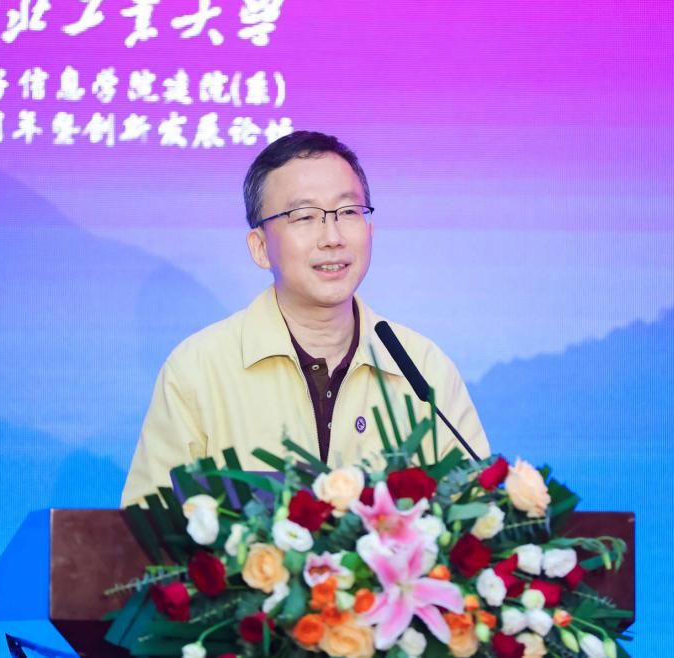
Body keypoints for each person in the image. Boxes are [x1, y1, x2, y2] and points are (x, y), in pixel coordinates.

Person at [121, 131, 489, 506]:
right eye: (304, 216)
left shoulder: (423, 368)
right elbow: (148, 525)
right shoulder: (198, 370)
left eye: (348, 212)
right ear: (260, 247)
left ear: (369, 230)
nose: (332, 237)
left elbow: (479, 513)